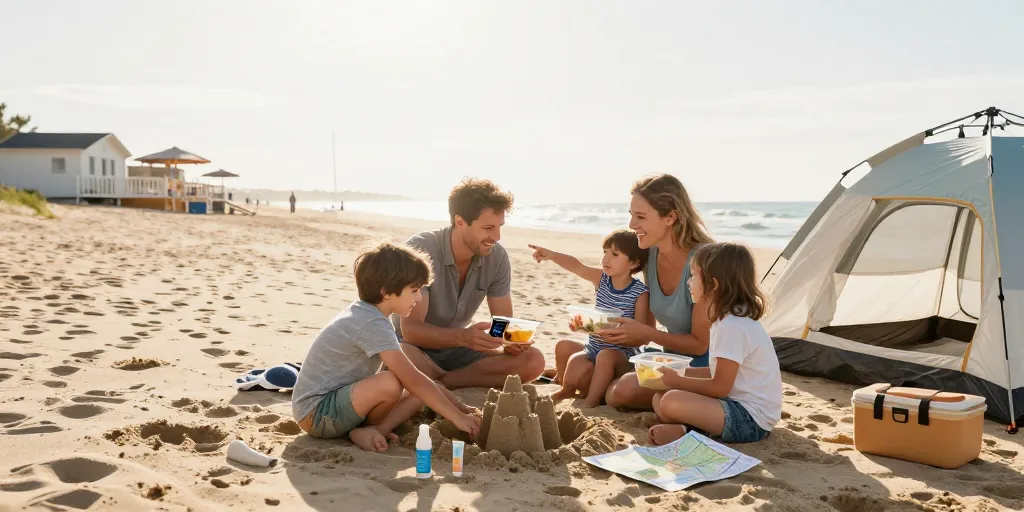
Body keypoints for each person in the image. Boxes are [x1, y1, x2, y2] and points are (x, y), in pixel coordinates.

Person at [291, 242, 481, 452]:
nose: (419, 298)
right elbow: (411, 378)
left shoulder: (372, 315)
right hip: (316, 413)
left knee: (418, 391)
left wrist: (462, 409)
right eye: (414, 290)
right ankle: (368, 430)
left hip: (338, 405)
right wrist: (457, 418)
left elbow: (419, 382)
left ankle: (374, 430)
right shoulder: (370, 322)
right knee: (392, 382)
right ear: (386, 292)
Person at [395, 178, 545, 389]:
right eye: (488, 228)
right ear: (460, 222)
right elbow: (412, 331)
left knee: (533, 360)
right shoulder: (421, 251)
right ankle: (440, 382)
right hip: (413, 347)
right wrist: (463, 337)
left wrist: (510, 342)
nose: (496, 237)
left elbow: (502, 324)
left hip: (456, 350)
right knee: (403, 354)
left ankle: (442, 382)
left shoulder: (497, 257)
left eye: (499, 227)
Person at [593, 174, 717, 410]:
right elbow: (645, 332)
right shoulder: (650, 255)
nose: (631, 225)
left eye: (641, 217)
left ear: (670, 217)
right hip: (672, 358)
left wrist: (645, 332)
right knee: (590, 374)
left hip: (708, 365)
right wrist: (615, 332)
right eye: (631, 215)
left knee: (620, 392)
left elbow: (700, 345)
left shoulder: (705, 261)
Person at [647, 242, 782, 445]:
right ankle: (686, 428)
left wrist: (677, 381)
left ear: (714, 284)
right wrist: (679, 372)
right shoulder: (724, 320)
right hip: (733, 405)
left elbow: (719, 387)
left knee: (670, 401)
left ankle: (688, 431)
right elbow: (717, 371)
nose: (688, 282)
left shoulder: (733, 326)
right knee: (661, 398)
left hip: (751, 418)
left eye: (693, 276)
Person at [530, 230, 651, 407]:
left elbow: (640, 334)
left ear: (633, 263)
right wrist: (552, 255)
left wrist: (618, 335)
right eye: (605, 252)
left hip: (621, 355)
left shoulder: (640, 293)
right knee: (567, 351)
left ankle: (591, 401)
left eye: (615, 254)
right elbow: (577, 267)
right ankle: (565, 389)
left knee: (606, 356)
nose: (606, 259)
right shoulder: (602, 279)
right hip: (594, 348)